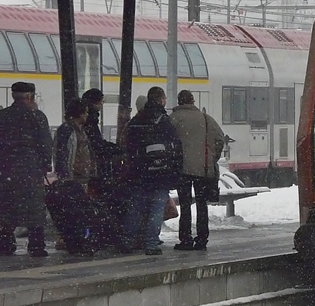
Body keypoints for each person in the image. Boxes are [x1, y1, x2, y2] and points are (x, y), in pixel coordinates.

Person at [0, 81, 53, 257]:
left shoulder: (1, 116)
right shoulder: (37, 117)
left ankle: (5, 243)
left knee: (7, 208)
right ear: (30, 96)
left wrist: (4, 159)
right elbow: (46, 144)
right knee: (34, 209)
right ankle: (36, 245)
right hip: (31, 170)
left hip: (7, 170)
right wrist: (44, 164)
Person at [123, 87, 182, 255]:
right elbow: (175, 147)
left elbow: (128, 146)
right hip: (161, 173)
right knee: (156, 209)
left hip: (139, 172)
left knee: (136, 207)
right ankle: (151, 244)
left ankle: (128, 241)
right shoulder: (164, 121)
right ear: (161, 99)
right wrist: (174, 171)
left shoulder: (137, 120)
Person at [168, 89, 226, 251]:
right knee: (201, 204)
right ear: (193, 101)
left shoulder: (173, 119)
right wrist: (211, 158)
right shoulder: (206, 119)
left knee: (185, 205)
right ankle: (202, 238)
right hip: (203, 168)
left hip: (182, 169)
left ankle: (185, 239)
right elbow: (219, 139)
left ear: (179, 101)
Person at [81, 88, 125, 246]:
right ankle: (102, 235)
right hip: (95, 169)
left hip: (91, 169)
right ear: (96, 102)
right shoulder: (91, 120)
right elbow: (97, 145)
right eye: (101, 101)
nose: (102, 104)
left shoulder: (87, 120)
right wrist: (116, 149)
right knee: (103, 201)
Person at [54, 98, 95, 185]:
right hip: (73, 175)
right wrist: (64, 174)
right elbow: (62, 152)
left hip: (82, 174)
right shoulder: (67, 130)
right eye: (86, 112)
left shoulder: (81, 129)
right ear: (80, 114)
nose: (87, 115)